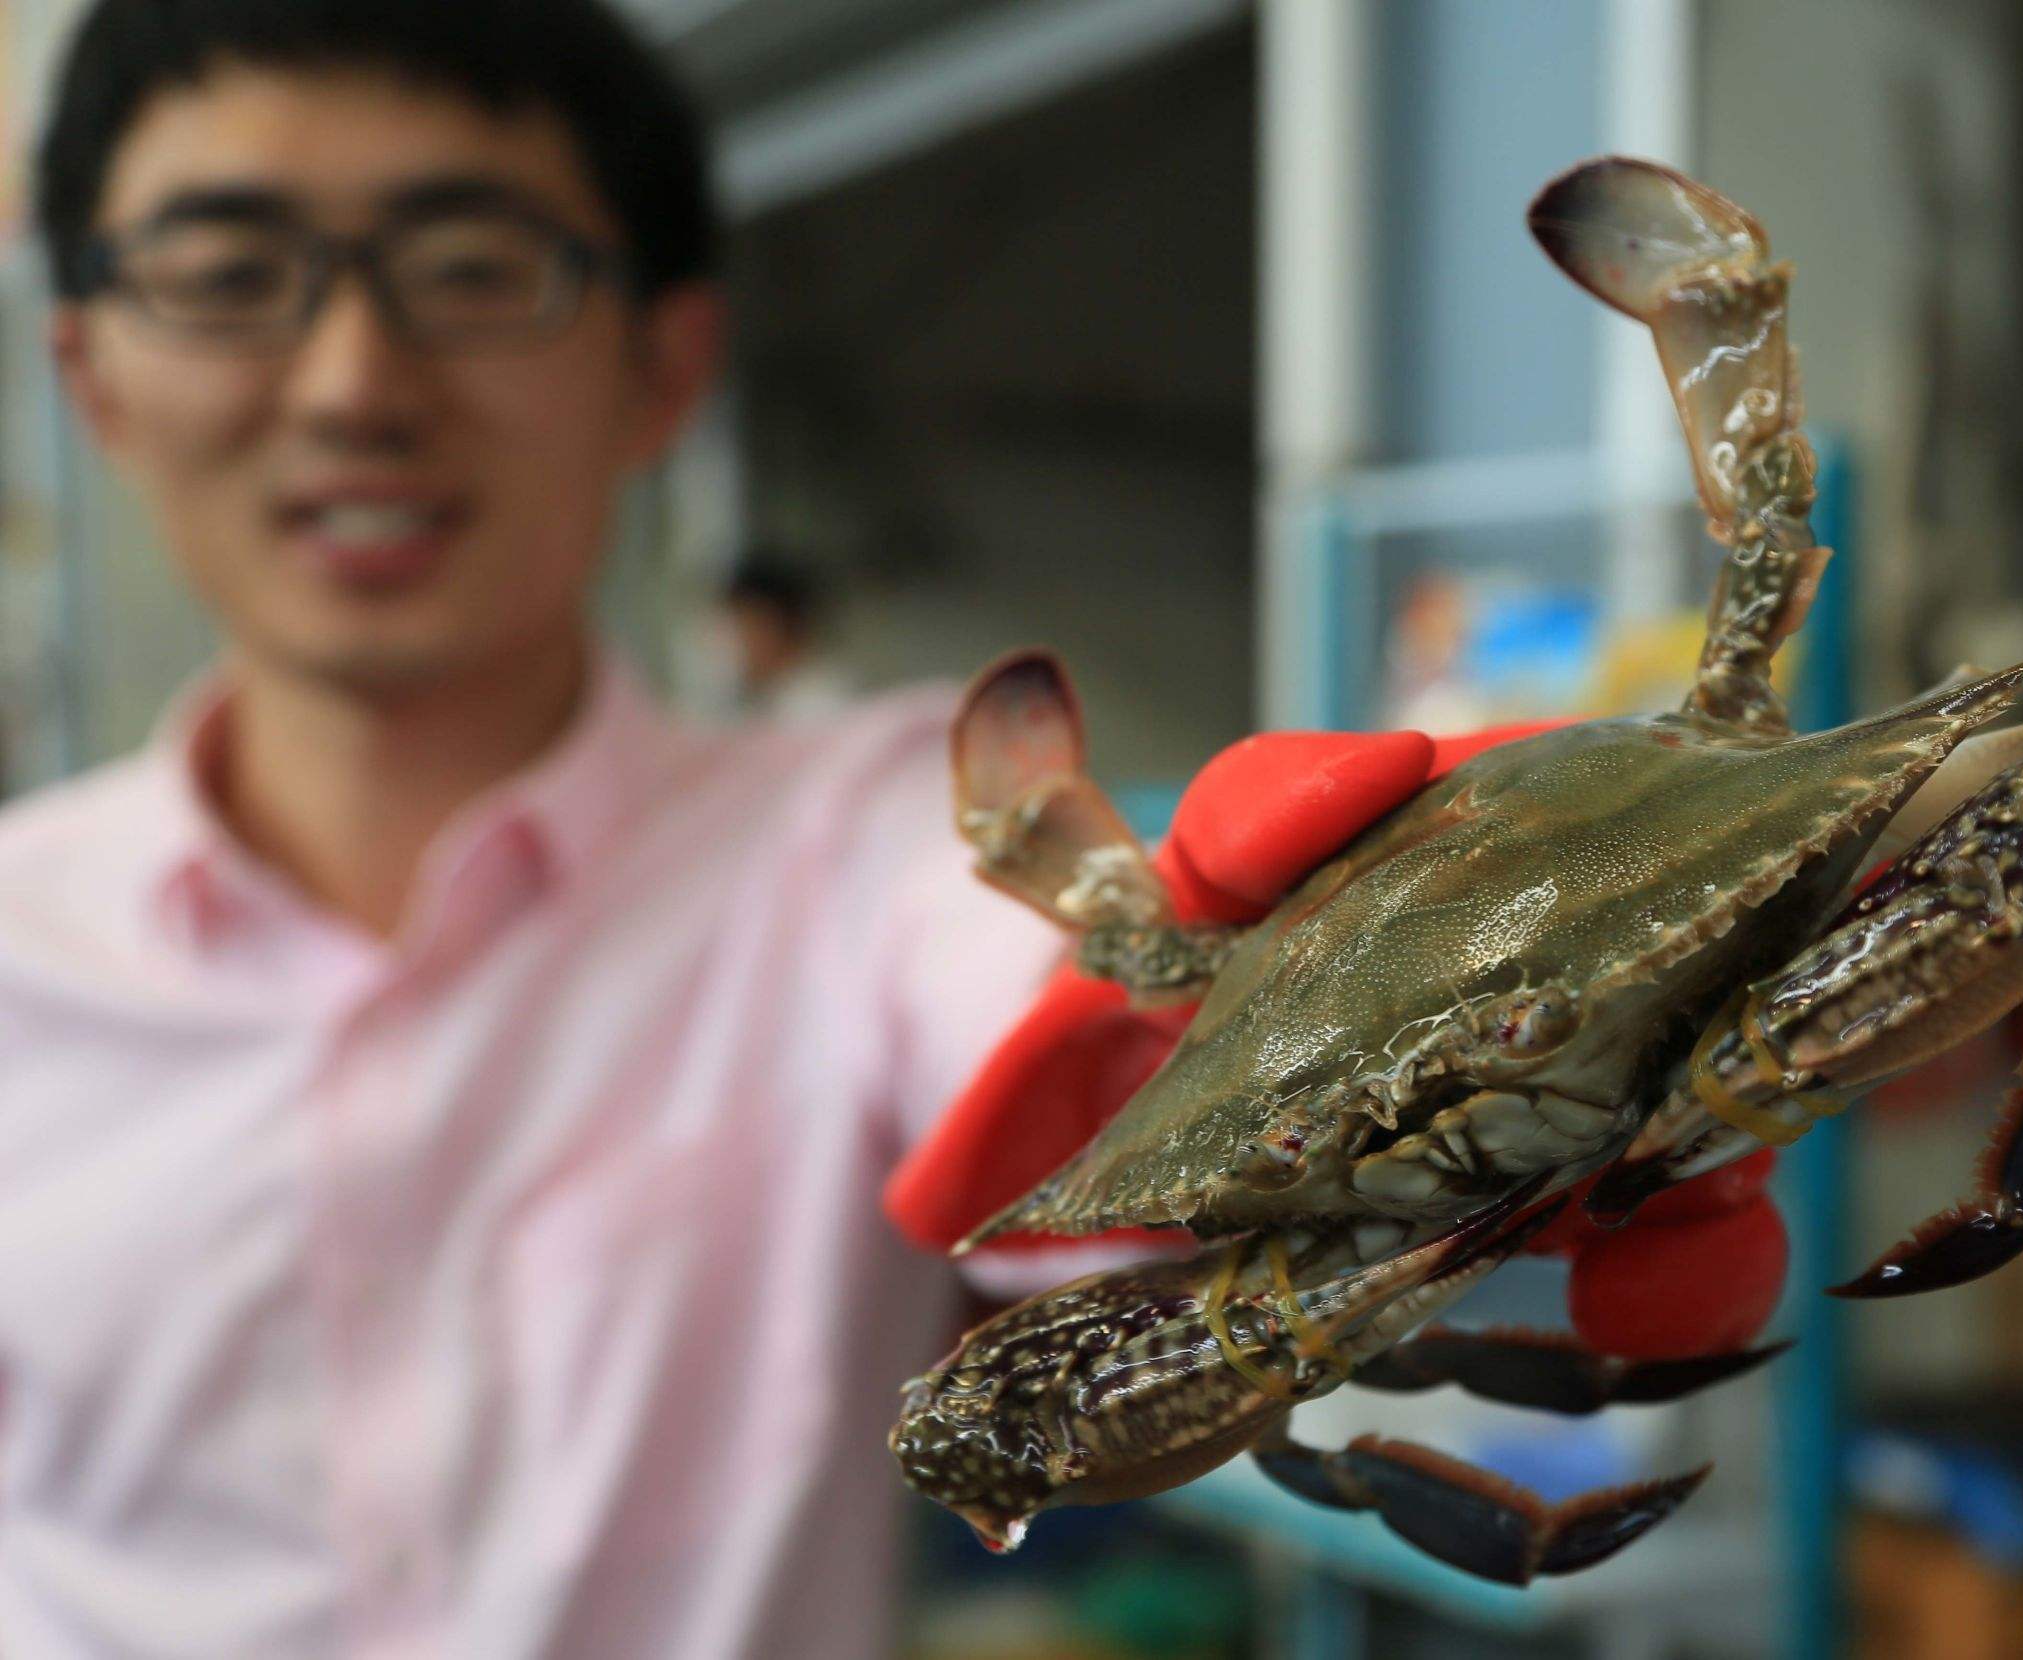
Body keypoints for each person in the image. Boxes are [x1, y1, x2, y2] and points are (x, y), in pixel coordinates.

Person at [0, 3, 1783, 1655]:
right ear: (87, 369)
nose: (349, 382)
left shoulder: (846, 844)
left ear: (664, 363)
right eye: (226, 273)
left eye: (472, 268)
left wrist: (1247, 998)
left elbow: (1024, 1005)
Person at [710, 553, 855, 723]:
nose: (731, 645)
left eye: (742, 628)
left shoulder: (821, 704)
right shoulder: (762, 699)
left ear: (773, 626)